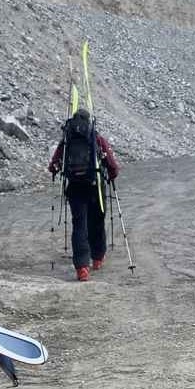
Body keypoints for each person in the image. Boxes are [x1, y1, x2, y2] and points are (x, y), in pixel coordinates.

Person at [48, 107, 121, 282]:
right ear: (89, 121)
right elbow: (113, 166)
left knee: (79, 225)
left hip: (75, 188)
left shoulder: (67, 140)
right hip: (95, 185)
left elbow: (53, 165)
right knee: (97, 221)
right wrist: (111, 175)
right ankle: (97, 258)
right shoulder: (96, 138)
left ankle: (82, 268)